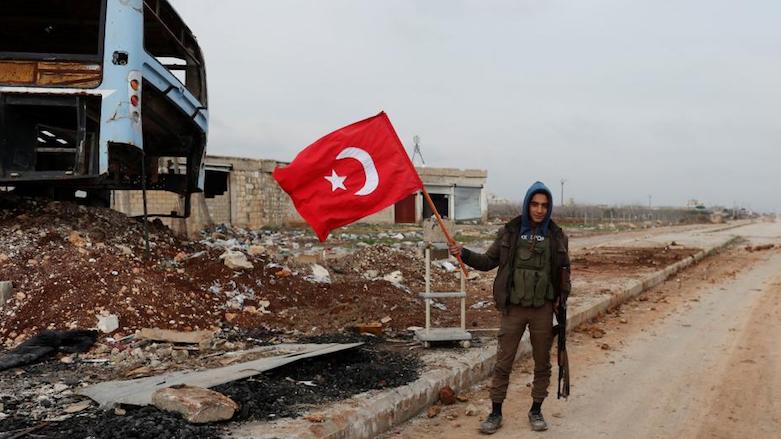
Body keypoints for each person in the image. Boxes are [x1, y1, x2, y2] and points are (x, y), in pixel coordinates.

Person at [449, 181, 571, 433]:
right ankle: (495, 413)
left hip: (543, 310)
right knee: (504, 362)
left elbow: (565, 272)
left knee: (542, 363)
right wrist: (463, 253)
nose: (540, 210)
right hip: (513, 309)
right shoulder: (511, 232)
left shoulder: (557, 236)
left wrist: (562, 300)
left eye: (545, 205)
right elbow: (487, 261)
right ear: (527, 204)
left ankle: (536, 410)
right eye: (535, 204)